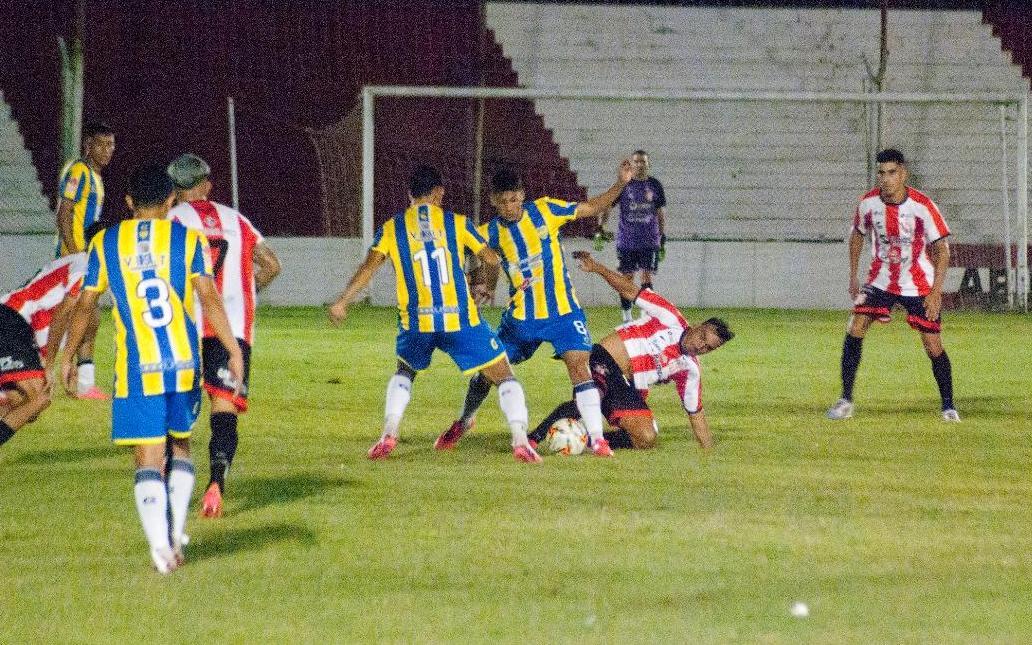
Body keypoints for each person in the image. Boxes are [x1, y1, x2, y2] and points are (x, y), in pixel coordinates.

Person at [61, 163, 244, 574]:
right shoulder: (189, 239)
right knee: (180, 446)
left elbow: (85, 303)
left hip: (136, 368)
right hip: (183, 363)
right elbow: (210, 298)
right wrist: (232, 349)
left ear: (127, 203)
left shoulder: (106, 243)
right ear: (171, 201)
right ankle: (173, 533)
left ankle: (161, 548)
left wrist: (69, 355)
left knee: (147, 456)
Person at [328, 165, 541, 463]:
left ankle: (389, 432)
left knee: (405, 371)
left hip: (417, 321)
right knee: (503, 374)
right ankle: (520, 439)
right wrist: (479, 282)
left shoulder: (392, 227)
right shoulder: (457, 223)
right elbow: (490, 258)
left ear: (410, 195)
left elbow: (369, 268)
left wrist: (343, 302)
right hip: (460, 319)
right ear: (439, 193)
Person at [436, 161, 635, 458]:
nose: (510, 206)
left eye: (514, 199)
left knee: (580, 366)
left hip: (563, 312)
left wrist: (620, 184)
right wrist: (478, 284)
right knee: (487, 373)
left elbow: (591, 208)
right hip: (521, 320)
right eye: (503, 202)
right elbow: (468, 255)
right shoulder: (489, 232)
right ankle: (464, 420)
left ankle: (597, 439)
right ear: (493, 201)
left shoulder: (545, 210)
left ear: (522, 195)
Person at [167, 153, 282, 519]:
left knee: (176, 409)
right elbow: (272, 265)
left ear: (175, 189)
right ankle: (216, 482)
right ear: (206, 184)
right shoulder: (238, 220)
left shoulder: (169, 220)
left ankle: (173, 481)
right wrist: (248, 290)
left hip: (184, 326)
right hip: (232, 326)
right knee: (224, 406)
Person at [529, 251, 733, 450]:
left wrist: (709, 451)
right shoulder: (670, 317)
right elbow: (629, 290)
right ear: (697, 325)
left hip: (624, 386)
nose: (700, 346)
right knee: (594, 395)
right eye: (702, 337)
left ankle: (586, 440)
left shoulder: (690, 369)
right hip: (604, 358)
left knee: (647, 438)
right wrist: (597, 268)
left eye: (708, 348)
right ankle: (532, 439)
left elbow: (695, 412)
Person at [825, 148, 958, 422]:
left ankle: (948, 407)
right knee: (855, 326)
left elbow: (942, 249)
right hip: (880, 280)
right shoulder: (868, 203)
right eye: (881, 173)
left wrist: (936, 292)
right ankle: (845, 400)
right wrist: (853, 275)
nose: (886, 179)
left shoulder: (923, 206)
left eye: (892, 173)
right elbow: (857, 235)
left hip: (918, 283)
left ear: (903, 173)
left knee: (932, 344)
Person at [0, 246, 93, 448]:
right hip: (11, 318)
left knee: (24, 404)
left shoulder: (80, 261)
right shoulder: (89, 266)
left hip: (18, 324)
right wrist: (53, 364)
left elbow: (62, 312)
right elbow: (63, 311)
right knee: (38, 399)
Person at [55, 121, 116, 400]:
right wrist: (74, 252)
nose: (108, 150)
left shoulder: (95, 177)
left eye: (111, 144)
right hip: (76, 258)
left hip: (86, 257)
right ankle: (77, 382)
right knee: (82, 318)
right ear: (88, 145)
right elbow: (64, 213)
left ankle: (82, 383)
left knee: (90, 319)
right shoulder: (79, 172)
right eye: (102, 144)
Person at [597, 150, 667, 322]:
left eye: (643, 161)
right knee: (626, 279)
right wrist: (601, 227)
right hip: (626, 241)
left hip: (649, 240)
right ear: (632, 164)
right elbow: (607, 205)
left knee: (646, 276)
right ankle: (627, 316)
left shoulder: (655, 185)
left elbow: (660, 213)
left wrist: (662, 236)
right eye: (636, 161)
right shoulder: (623, 185)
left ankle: (645, 314)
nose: (639, 164)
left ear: (648, 164)